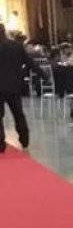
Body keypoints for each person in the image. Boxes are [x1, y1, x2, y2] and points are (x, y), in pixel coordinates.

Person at [0, 23, 33, 152]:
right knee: (18, 113)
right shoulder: (16, 46)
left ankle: (0, 143)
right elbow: (29, 62)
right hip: (14, 86)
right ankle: (24, 138)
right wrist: (43, 75)